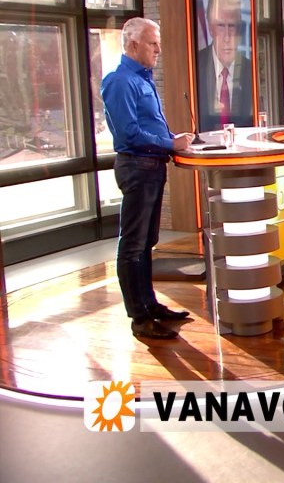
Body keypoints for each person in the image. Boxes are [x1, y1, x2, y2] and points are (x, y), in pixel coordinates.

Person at [101, 17, 194, 340]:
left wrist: (172, 139)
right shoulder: (119, 81)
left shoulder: (143, 78)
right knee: (132, 245)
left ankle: (150, 304)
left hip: (152, 168)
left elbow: (149, 124)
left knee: (147, 242)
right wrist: (169, 143)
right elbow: (129, 133)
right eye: (153, 43)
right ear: (133, 44)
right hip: (137, 168)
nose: (158, 49)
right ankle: (139, 318)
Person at [196, 0, 254, 132]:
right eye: (221, 26)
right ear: (210, 28)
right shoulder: (195, 67)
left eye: (232, 26)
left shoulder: (251, 71)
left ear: (240, 28)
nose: (227, 37)